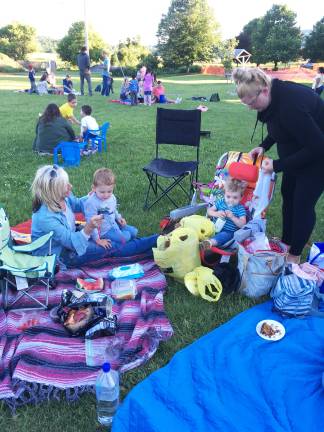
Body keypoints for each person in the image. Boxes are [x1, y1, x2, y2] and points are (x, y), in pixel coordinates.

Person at [232, 67, 324, 263]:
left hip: (317, 158)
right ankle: (287, 243)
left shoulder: (291, 105)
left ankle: (295, 255)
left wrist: (278, 164)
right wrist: (264, 146)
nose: (251, 108)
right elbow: (279, 126)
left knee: (302, 204)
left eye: (253, 103)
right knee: (288, 197)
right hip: (297, 154)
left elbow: (317, 146)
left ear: (264, 90)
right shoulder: (274, 100)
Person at [31, 165, 157, 268]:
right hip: (64, 254)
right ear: (54, 190)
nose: (70, 186)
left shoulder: (62, 197)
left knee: (112, 232)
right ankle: (155, 241)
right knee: (111, 246)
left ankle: (141, 243)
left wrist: (93, 196)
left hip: (75, 237)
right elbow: (71, 243)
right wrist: (88, 228)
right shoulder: (45, 217)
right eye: (65, 185)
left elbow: (77, 204)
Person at [84, 168, 138, 249]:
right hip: (104, 231)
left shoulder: (111, 197)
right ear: (94, 188)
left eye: (109, 191)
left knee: (134, 232)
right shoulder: (91, 203)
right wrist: (97, 239)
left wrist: (119, 218)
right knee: (126, 237)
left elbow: (113, 209)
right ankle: (120, 237)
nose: (106, 195)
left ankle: (121, 232)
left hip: (113, 224)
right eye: (102, 192)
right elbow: (91, 223)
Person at [202, 178, 246, 249]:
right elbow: (209, 211)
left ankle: (209, 243)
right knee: (204, 225)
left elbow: (243, 224)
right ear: (224, 194)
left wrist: (233, 217)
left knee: (223, 235)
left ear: (241, 197)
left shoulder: (240, 208)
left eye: (235, 197)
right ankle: (196, 235)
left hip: (228, 232)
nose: (231, 200)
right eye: (228, 197)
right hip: (213, 226)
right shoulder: (221, 202)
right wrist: (216, 214)